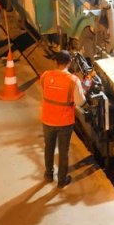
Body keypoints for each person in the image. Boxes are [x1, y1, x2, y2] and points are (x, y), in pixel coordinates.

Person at [40, 50, 85, 188]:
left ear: (55, 61)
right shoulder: (73, 80)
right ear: (69, 62)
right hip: (64, 121)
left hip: (47, 119)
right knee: (63, 151)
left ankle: (48, 175)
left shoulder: (45, 76)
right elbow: (80, 102)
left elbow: (45, 90)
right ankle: (61, 180)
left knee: (49, 147)